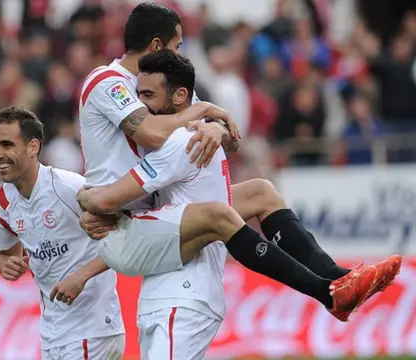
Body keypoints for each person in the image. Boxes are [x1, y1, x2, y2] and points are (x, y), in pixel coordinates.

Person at [77, 49, 401, 358]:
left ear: (179, 97)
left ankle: (330, 287)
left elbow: (109, 196)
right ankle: (333, 283)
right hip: (183, 288)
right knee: (259, 191)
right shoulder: (193, 130)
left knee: (237, 204)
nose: (139, 105)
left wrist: (86, 198)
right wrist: (211, 120)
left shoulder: (180, 140)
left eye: (147, 95)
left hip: (180, 292)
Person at [0, 106, 125, 360]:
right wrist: (7, 264)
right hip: (53, 331)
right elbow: (4, 253)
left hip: (93, 329)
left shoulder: (70, 188)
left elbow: (124, 239)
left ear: (32, 147)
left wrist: (81, 277)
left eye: (7, 144)